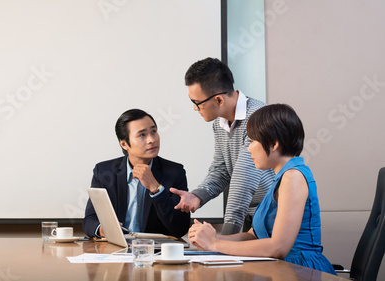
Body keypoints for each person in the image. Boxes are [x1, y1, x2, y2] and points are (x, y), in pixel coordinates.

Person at [188, 104, 337, 275]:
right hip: (280, 269)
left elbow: (278, 247)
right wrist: (212, 237)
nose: (249, 148)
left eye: (252, 142)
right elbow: (253, 235)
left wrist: (214, 245)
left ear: (273, 144)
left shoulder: (293, 177)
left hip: (301, 270)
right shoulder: (279, 177)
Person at [170, 57, 275, 235]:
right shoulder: (220, 124)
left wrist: (223, 240)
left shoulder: (257, 118)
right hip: (251, 216)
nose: (195, 109)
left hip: (272, 214)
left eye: (197, 103)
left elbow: (243, 181)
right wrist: (197, 195)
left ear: (218, 100)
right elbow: (222, 170)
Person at [83, 109, 190, 238]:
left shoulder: (174, 172)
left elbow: (180, 228)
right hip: (117, 249)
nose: (151, 139)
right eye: (142, 135)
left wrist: (155, 189)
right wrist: (103, 229)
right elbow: (90, 220)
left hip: (155, 251)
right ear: (124, 144)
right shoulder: (104, 171)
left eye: (153, 131)